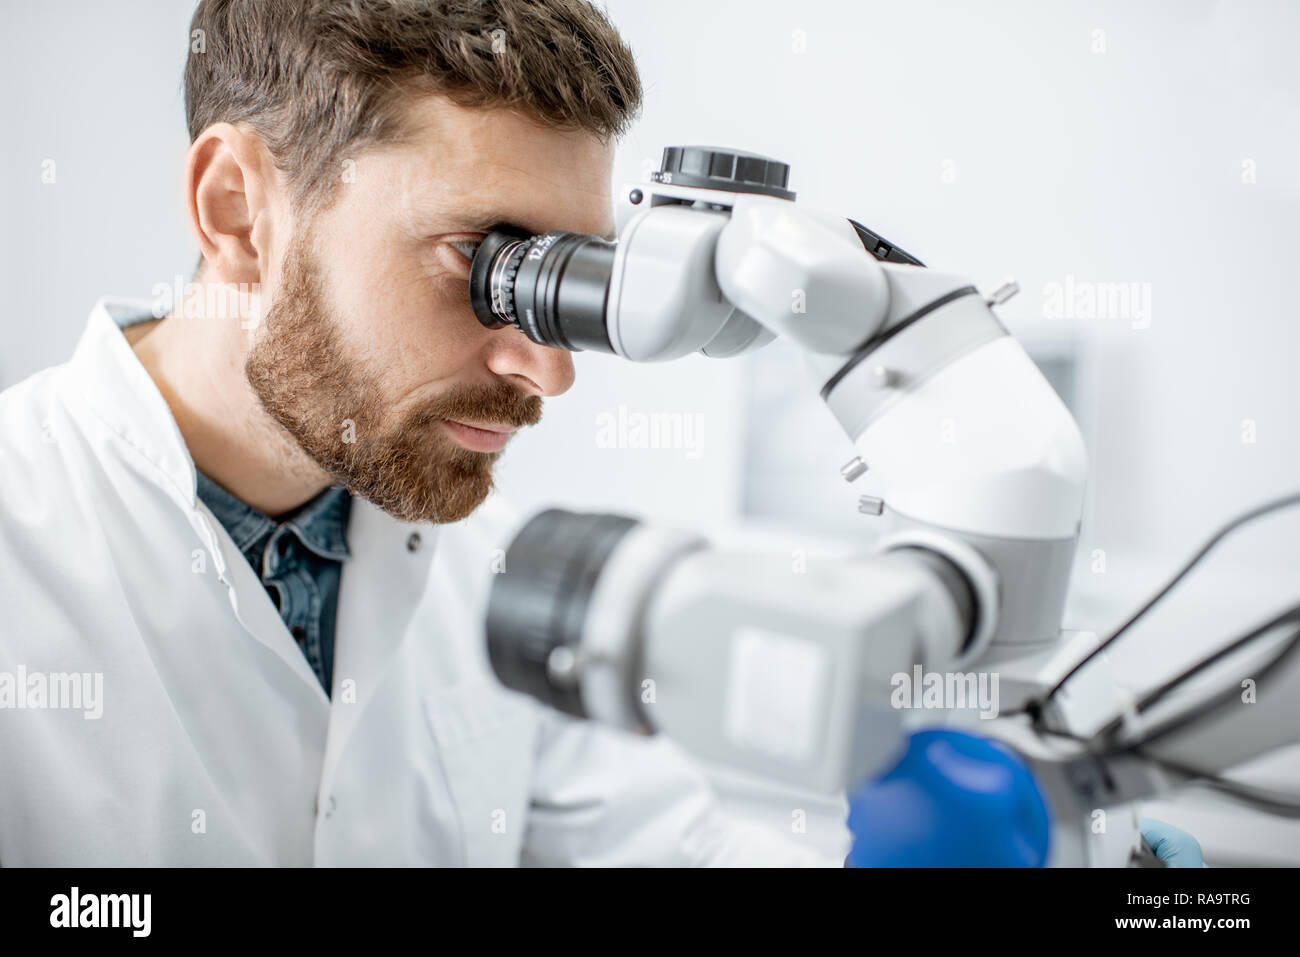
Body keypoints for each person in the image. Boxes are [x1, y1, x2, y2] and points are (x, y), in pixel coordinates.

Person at [0, 0, 838, 866]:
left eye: (557, 276)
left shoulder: (490, 570)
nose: (548, 371)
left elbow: (678, 850)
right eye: (482, 260)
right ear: (239, 214)